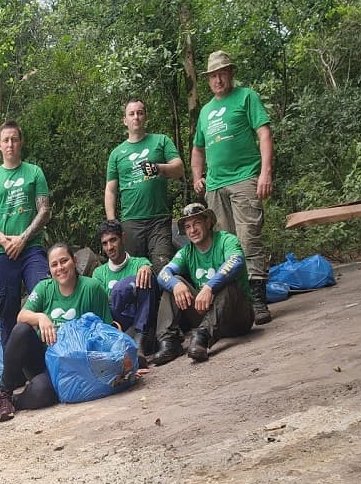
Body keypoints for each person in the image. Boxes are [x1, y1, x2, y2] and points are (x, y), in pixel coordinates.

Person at [0, 243, 112, 421]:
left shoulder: (92, 288)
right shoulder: (44, 288)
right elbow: (22, 315)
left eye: (64, 261)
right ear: (49, 269)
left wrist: (122, 365)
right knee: (21, 330)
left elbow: (107, 332)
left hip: (75, 366)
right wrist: (41, 317)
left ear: (74, 260)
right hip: (44, 359)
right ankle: (4, 395)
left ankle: (12, 402)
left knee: (43, 393)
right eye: (54, 264)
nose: (60, 268)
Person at [191, 51, 273, 325]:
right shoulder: (205, 111)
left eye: (221, 73)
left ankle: (258, 299)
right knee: (225, 245)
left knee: (249, 237)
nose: (217, 79)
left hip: (244, 178)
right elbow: (198, 147)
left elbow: (263, 133)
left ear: (230, 73)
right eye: (213, 75)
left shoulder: (246, 97)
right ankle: (238, 301)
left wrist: (265, 172)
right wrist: (196, 175)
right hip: (215, 186)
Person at [104, 98, 185, 353]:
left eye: (140, 113)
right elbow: (111, 189)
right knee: (137, 280)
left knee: (162, 271)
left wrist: (159, 168)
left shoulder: (160, 141)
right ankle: (144, 334)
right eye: (131, 113)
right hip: (131, 222)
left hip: (159, 219)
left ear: (145, 117)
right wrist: (112, 223)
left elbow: (179, 168)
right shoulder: (117, 153)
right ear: (124, 120)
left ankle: (169, 335)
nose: (136, 117)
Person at [149, 203, 254, 366]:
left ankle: (202, 339)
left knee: (228, 285)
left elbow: (236, 261)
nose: (192, 230)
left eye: (197, 223)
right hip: (207, 314)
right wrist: (176, 285)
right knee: (174, 286)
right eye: (188, 226)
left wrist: (209, 287)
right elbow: (163, 274)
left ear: (208, 222)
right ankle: (169, 342)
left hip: (237, 316)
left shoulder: (226, 240)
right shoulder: (186, 252)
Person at [0, 120, 51, 345]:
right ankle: (12, 372)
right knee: (6, 308)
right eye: (5, 140)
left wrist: (23, 238)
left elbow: (44, 210)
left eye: (14, 139)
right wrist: (4, 240)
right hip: (3, 253)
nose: (10, 143)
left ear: (21, 142)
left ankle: (48, 355)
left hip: (31, 248)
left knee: (44, 292)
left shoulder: (34, 172)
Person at [91, 220, 157, 345]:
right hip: (117, 325)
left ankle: (140, 337)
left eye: (113, 240)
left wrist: (146, 268)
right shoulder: (98, 273)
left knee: (145, 277)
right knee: (115, 291)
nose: (109, 247)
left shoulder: (140, 263)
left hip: (143, 323)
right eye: (105, 243)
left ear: (123, 238)